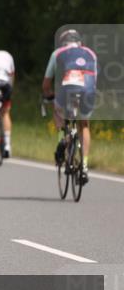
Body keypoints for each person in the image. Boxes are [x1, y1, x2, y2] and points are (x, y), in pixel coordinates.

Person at [42, 29, 98, 184]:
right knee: (84, 125)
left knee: (58, 112)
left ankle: (62, 140)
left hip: (68, 88)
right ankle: (85, 166)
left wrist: (49, 97)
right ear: (80, 42)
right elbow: (95, 80)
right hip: (88, 89)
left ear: (62, 42)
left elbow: (46, 84)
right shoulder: (91, 53)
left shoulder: (57, 53)